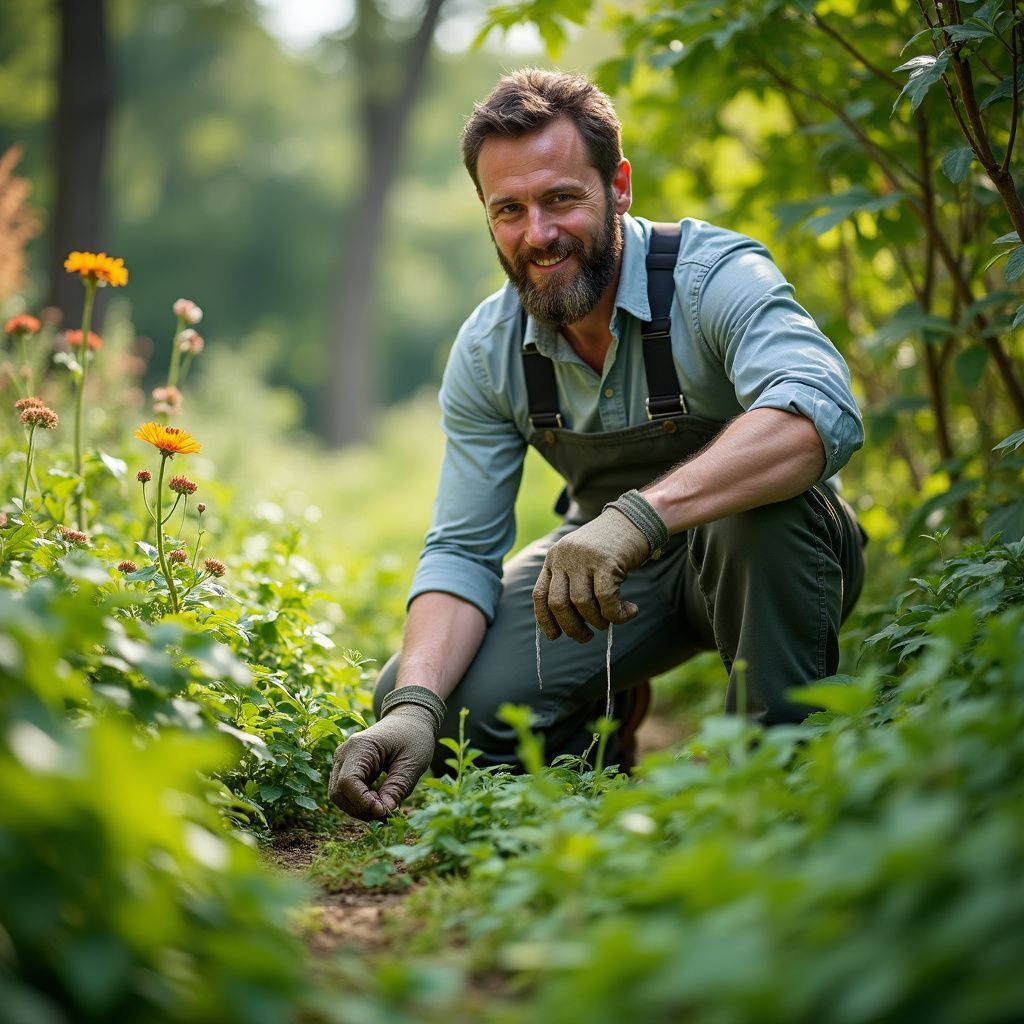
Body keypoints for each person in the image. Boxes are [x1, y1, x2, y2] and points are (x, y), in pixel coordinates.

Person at [329, 68, 866, 822]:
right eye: (509, 210)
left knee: (758, 516)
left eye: (560, 200)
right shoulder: (489, 350)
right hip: (610, 588)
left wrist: (635, 519)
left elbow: (819, 413)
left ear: (618, 185)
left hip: (770, 560)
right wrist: (416, 703)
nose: (537, 235)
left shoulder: (716, 279)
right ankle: (597, 739)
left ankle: (782, 783)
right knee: (429, 707)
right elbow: (460, 551)